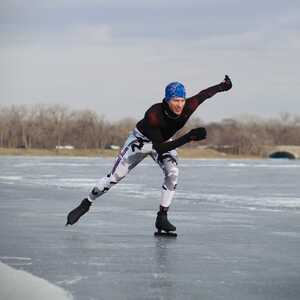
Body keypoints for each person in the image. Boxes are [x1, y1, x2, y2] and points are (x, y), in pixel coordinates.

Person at [66, 75, 232, 234]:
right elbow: (160, 148)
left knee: (173, 173)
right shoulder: (154, 115)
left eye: (182, 100)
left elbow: (204, 95)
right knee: (114, 178)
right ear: (167, 100)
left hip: (165, 141)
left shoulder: (189, 105)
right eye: (175, 100)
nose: (180, 105)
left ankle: (162, 217)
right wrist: (189, 137)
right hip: (141, 141)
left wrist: (222, 86)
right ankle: (87, 203)